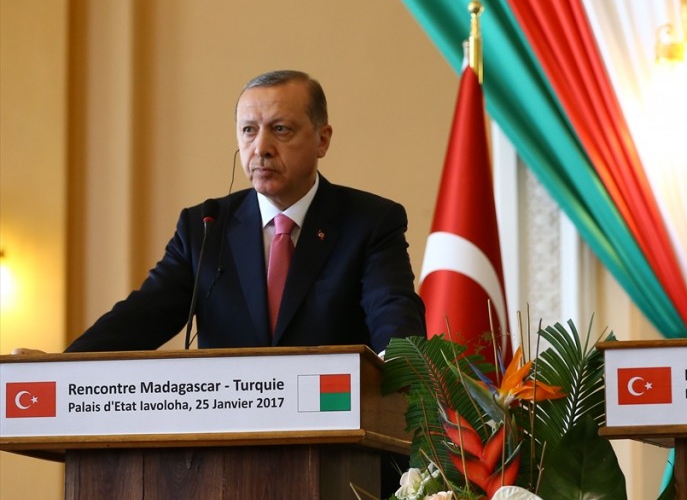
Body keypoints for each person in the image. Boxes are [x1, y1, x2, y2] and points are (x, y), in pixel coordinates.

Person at [64, 69, 426, 353]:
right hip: (229, 424)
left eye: (280, 129)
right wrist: (56, 370)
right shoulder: (205, 227)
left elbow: (391, 311)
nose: (261, 148)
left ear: (322, 139)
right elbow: (142, 317)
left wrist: (401, 372)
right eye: (249, 131)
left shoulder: (371, 222)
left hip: (336, 419)